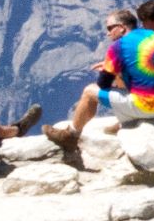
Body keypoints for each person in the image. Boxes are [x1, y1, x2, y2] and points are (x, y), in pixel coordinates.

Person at [43, 8, 140, 145]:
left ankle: (70, 136)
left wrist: (109, 68)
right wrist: (117, 68)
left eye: (110, 28)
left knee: (90, 91)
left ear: (121, 28)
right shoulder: (150, 36)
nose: (107, 34)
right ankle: (125, 120)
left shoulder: (118, 47)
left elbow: (102, 85)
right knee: (120, 76)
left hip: (149, 106)